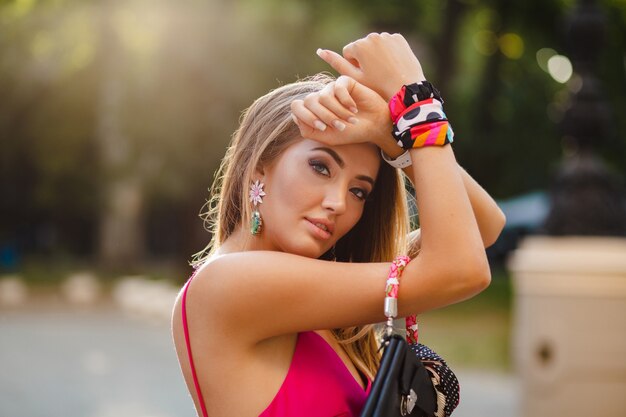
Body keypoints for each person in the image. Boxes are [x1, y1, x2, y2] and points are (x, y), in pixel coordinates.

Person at [171, 33, 506, 417]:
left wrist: (391, 138)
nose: (338, 203)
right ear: (259, 165)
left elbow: (482, 229)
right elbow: (462, 270)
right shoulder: (227, 284)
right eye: (320, 167)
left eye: (360, 191)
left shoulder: (321, 288)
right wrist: (415, 99)